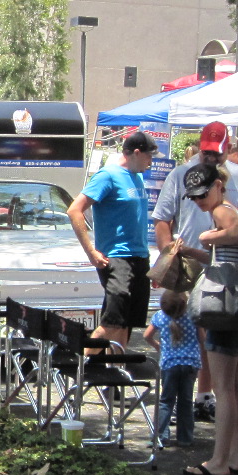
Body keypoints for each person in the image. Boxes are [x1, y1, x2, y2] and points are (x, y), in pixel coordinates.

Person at [152, 120, 238, 419]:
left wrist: (213, 238)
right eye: (206, 151)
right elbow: (162, 219)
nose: (211, 157)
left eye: (217, 153)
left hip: (227, 272)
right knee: (186, 331)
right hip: (192, 263)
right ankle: (187, 393)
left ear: (227, 149)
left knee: (218, 345)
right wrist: (169, 258)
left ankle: (206, 398)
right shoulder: (182, 174)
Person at [178, 164, 238, 475]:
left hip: (223, 305)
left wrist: (208, 236)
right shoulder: (227, 208)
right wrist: (196, 249)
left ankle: (219, 461)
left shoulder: (223, 209)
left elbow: (237, 233)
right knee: (235, 385)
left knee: (223, 387)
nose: (199, 202)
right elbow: (227, 254)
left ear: (218, 186)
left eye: (202, 194)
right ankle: (236, 455)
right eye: (193, 198)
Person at [67, 129, 156, 350]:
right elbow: (74, 210)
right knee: (112, 322)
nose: (151, 162)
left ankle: (115, 376)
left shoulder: (137, 177)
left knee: (126, 323)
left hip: (139, 256)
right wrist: (91, 252)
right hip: (117, 257)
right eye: (149, 156)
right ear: (136, 153)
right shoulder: (107, 176)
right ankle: (80, 371)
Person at [143, 287, 199, 448]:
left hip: (169, 363)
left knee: (166, 401)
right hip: (190, 363)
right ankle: (185, 437)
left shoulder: (160, 317)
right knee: (186, 401)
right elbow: (202, 338)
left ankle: (160, 436)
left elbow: (147, 335)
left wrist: (157, 345)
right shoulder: (193, 317)